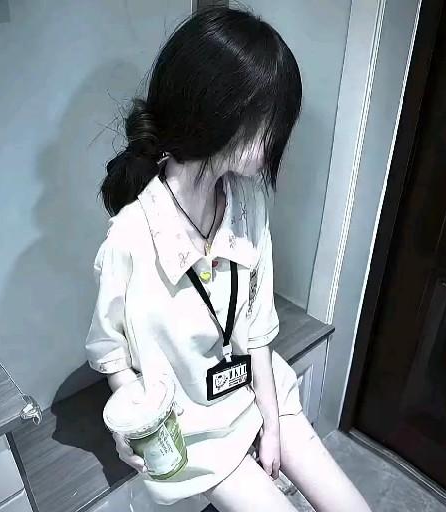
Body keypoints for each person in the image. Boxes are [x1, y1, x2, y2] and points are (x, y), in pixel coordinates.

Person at [85, 7, 371, 512]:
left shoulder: (248, 200)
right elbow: (110, 351)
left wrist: (273, 426)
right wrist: (131, 417)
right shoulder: (131, 237)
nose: (274, 140)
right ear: (213, 109)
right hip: (194, 430)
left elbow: (256, 330)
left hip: (257, 388)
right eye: (267, 121)